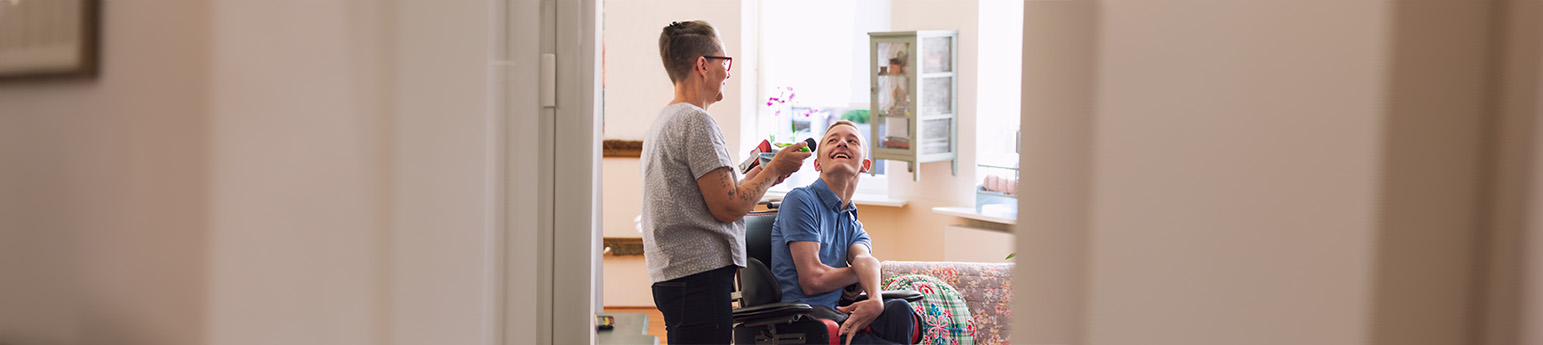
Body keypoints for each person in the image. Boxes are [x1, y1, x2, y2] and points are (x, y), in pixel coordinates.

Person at [640, 20, 812, 345]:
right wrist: (773, 169)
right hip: (699, 277)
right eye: (725, 62)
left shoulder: (665, 120)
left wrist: (757, 176)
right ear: (702, 65)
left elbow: (709, 195)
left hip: (676, 275)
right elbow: (729, 206)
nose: (728, 72)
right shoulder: (696, 121)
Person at [770, 121, 919, 345]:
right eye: (833, 140)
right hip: (804, 320)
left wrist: (875, 298)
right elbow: (812, 279)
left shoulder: (851, 222)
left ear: (865, 165)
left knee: (899, 309)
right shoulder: (800, 200)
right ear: (818, 164)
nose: (842, 143)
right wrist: (859, 273)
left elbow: (866, 260)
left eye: (852, 141)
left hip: (836, 315)